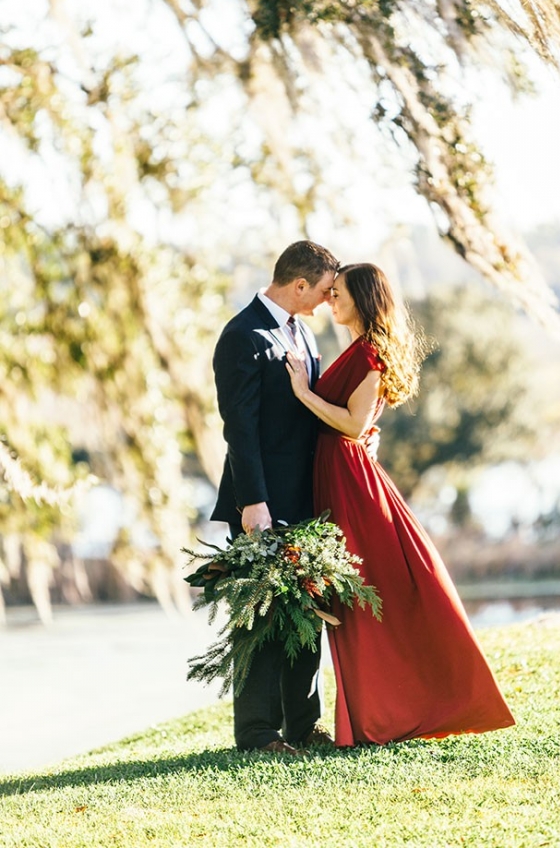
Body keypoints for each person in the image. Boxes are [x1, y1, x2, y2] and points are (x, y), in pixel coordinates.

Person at [286, 263, 516, 747]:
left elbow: (351, 424)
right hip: (337, 475)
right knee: (354, 596)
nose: (331, 300)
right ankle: (374, 710)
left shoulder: (370, 353)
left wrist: (304, 394)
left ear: (364, 299)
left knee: (367, 593)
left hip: (350, 483)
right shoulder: (356, 348)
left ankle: (392, 710)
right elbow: (362, 423)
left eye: (339, 293)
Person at [210, 239, 340, 756]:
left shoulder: (301, 330)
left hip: (305, 498)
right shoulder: (241, 335)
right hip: (259, 503)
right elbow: (239, 429)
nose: (329, 301)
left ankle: (303, 726)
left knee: (305, 612)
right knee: (260, 620)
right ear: (299, 284)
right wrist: (253, 502)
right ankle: (258, 734)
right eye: (325, 291)